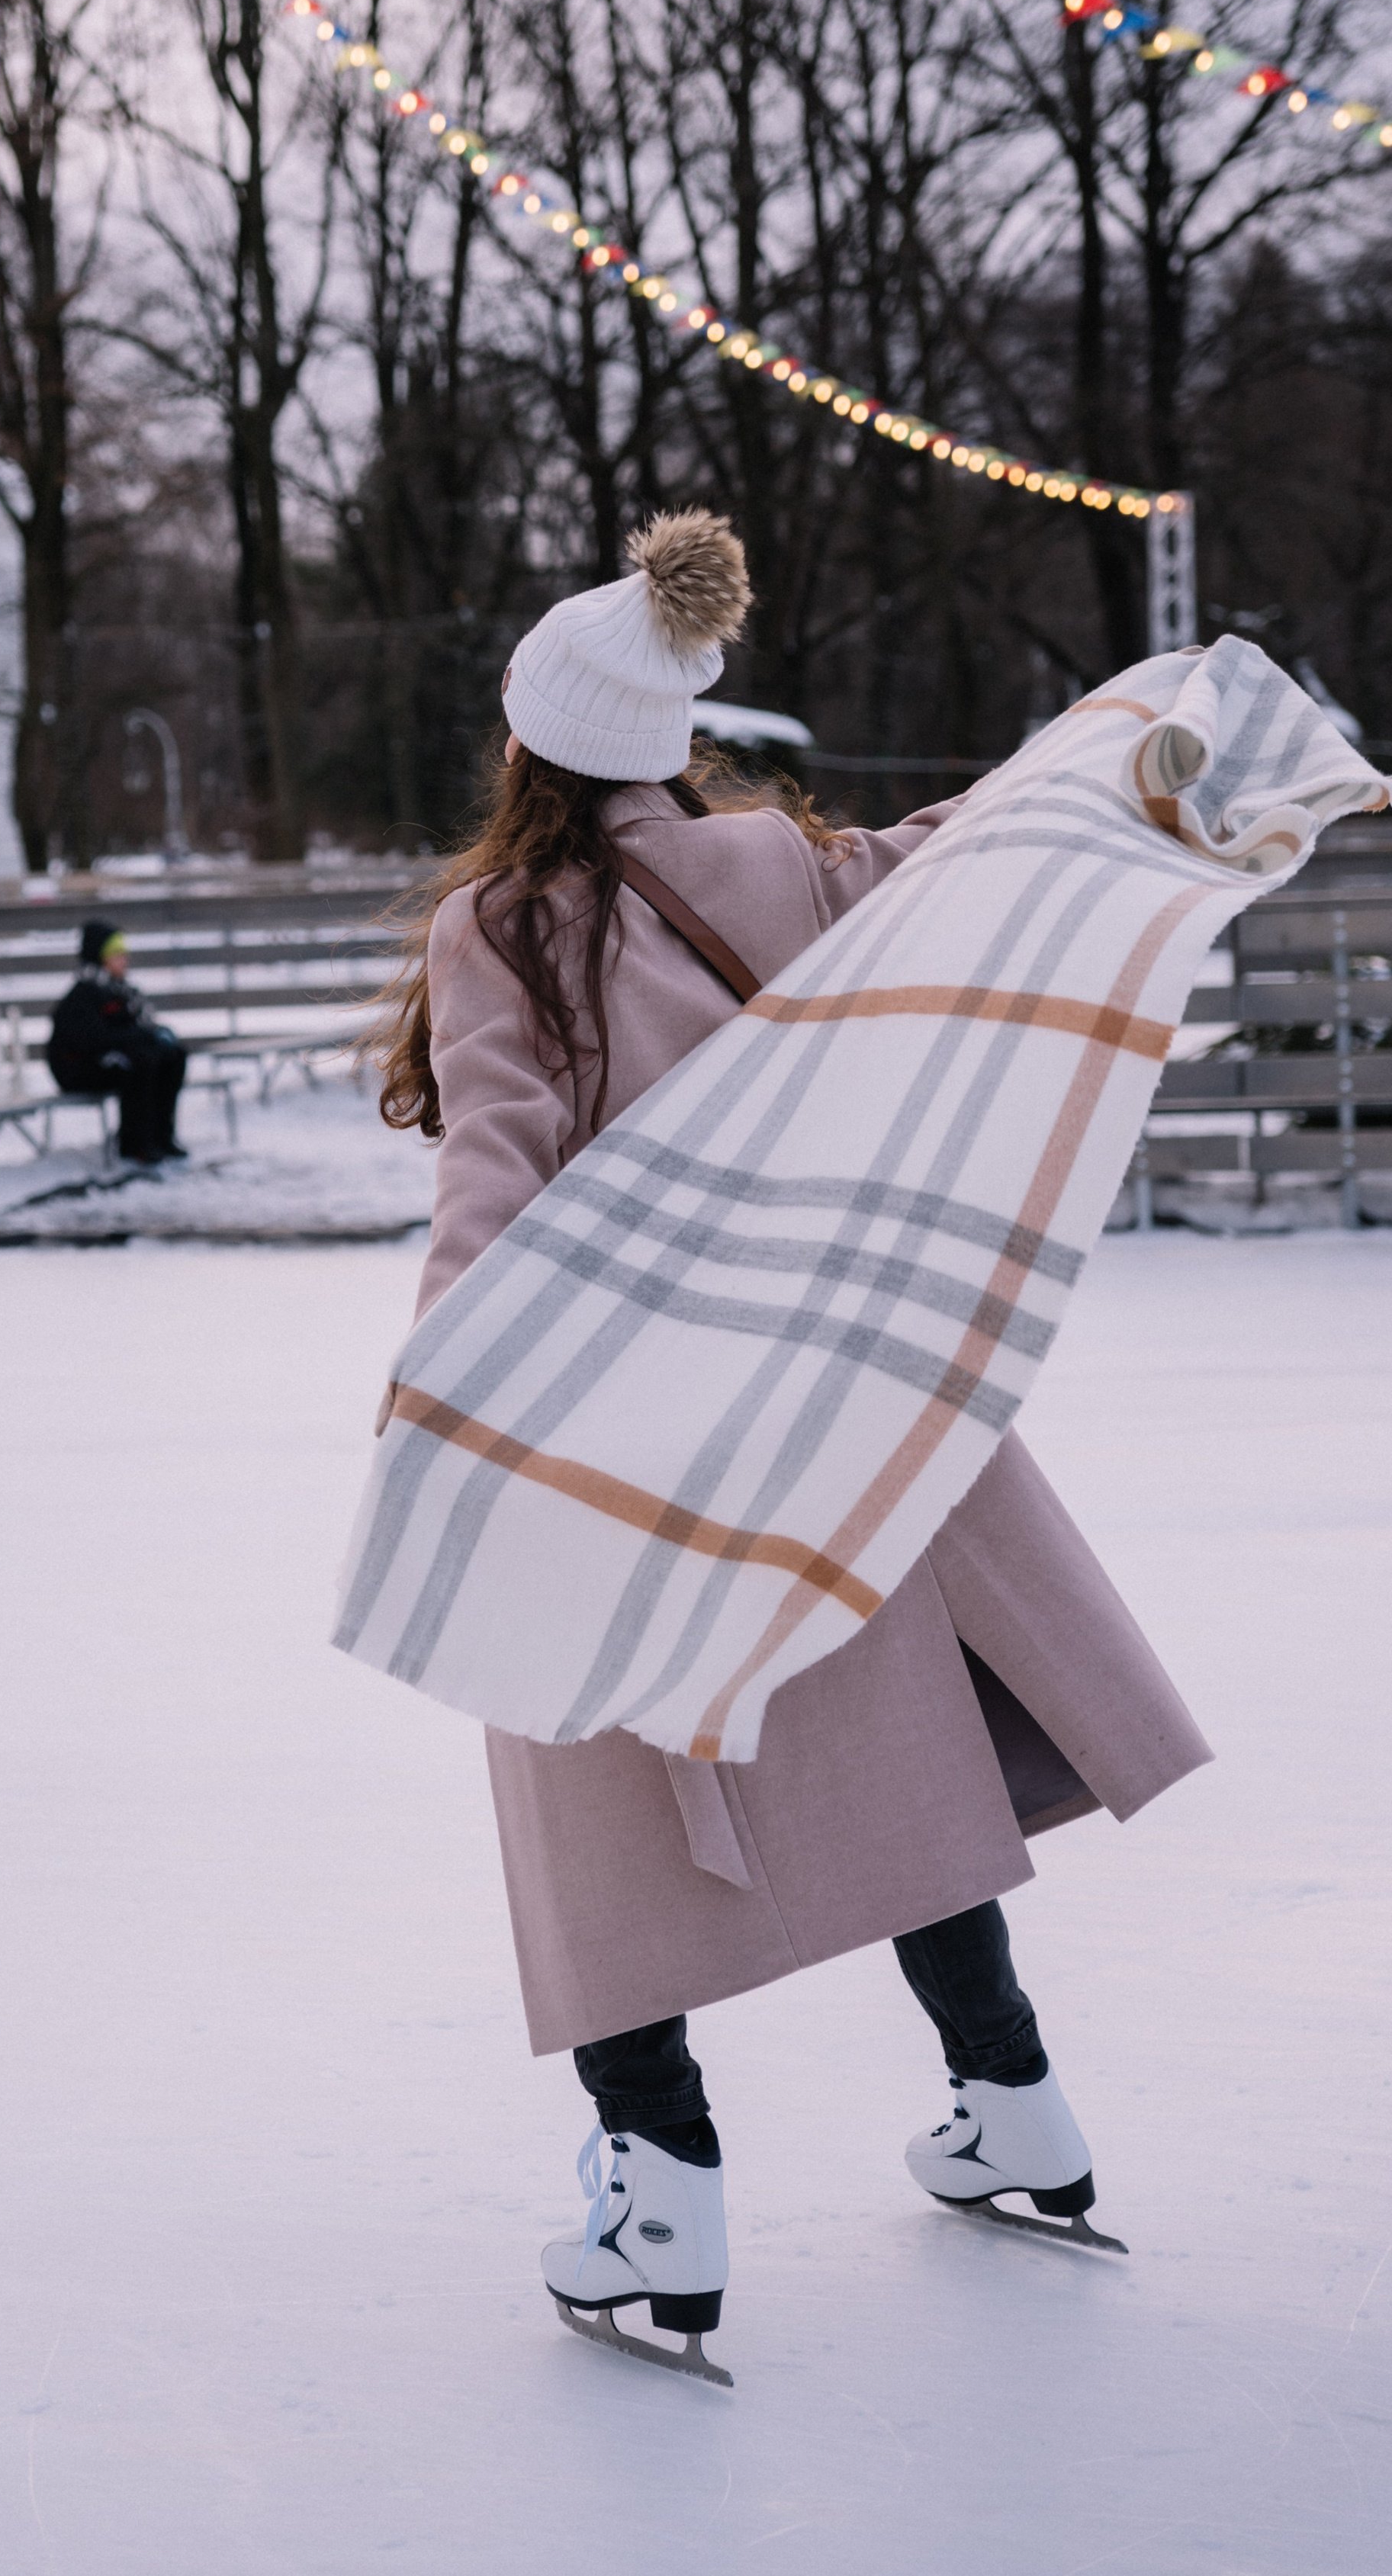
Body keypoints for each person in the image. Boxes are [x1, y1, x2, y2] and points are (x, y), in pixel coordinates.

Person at [374, 508, 1210, 2375]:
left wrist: (454, 1392)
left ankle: (655, 2188)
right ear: (674, 738)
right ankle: (1013, 2102)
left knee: (595, 1786)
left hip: (630, 1418)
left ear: (522, 745)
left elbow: (493, 1165)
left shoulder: (494, 922)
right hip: (834, 1394)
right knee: (902, 1750)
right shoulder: (783, 861)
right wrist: (1128, 766)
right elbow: (963, 853)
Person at [46, 919, 188, 1168]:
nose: (125, 959)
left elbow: (134, 1028)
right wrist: (143, 1037)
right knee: (140, 1063)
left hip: (107, 1060)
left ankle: (161, 1136)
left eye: (125, 954)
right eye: (117, 954)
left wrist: (155, 1034)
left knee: (173, 1055)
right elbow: (94, 1039)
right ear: (101, 957)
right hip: (77, 1068)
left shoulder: (122, 991)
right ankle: (135, 1145)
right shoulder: (85, 993)